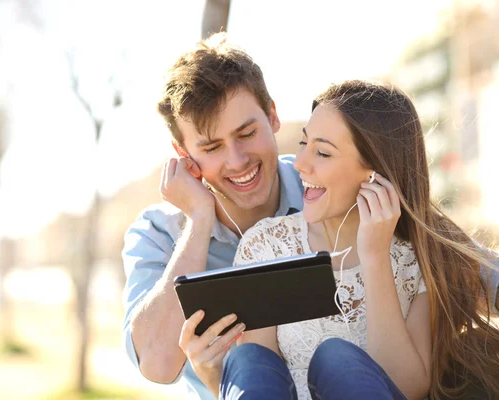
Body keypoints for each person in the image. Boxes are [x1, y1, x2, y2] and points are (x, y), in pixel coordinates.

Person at [179, 80, 499, 399]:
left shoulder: (416, 260)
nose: (300, 164)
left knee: (336, 358)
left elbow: (406, 388)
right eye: (304, 144)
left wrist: (374, 257)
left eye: (322, 152)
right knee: (246, 357)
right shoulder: (267, 245)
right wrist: (215, 376)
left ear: (375, 173)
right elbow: (256, 377)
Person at [121, 32, 304, 399]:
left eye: (247, 133)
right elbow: (156, 364)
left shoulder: (324, 189)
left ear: (272, 114)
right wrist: (200, 219)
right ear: (183, 152)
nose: (237, 161)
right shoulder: (157, 232)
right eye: (212, 147)